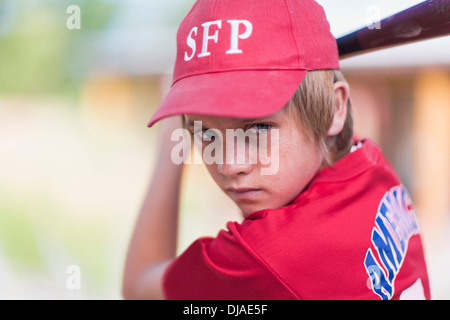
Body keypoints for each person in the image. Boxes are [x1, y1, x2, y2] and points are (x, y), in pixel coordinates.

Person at [122, 0, 431, 300]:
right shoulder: (370, 164)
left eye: (258, 128)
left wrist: (171, 133)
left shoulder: (263, 255)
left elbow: (138, 285)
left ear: (335, 109)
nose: (230, 165)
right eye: (204, 132)